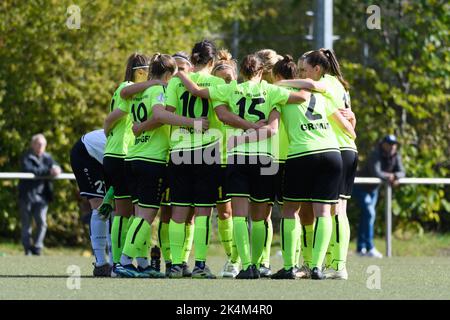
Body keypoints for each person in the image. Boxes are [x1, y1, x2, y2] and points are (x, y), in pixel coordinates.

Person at [177, 54, 309, 279]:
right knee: (259, 218)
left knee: (238, 216)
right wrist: (300, 83)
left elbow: (201, 95)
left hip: (237, 156)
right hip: (264, 159)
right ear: (260, 72)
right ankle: (258, 265)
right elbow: (301, 98)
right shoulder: (271, 91)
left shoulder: (229, 90)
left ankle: (246, 265)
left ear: (243, 72)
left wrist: (181, 73)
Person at [269, 55, 356, 280]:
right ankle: (317, 267)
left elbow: (271, 126)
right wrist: (353, 121)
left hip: (302, 153)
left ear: (279, 77)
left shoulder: (278, 93)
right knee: (325, 212)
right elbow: (349, 128)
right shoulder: (321, 94)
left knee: (290, 210)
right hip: (332, 154)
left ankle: (290, 266)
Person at [103, 53, 150, 273]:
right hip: (121, 154)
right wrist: (107, 128)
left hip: (118, 153)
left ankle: (133, 261)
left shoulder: (129, 87)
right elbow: (115, 115)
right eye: (147, 70)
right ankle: (118, 262)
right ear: (140, 71)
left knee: (130, 210)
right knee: (124, 211)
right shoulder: (129, 86)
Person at [353, 134, 405, 258]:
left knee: (367, 217)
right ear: (383, 144)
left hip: (373, 190)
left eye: (394, 144)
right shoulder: (375, 154)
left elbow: (402, 171)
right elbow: (376, 172)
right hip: (361, 187)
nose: (392, 147)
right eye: (390, 144)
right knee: (370, 214)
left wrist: (396, 176)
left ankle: (361, 248)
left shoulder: (396, 156)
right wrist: (390, 177)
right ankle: (369, 247)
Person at [70, 129, 112, 276]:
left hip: (106, 158)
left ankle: (115, 262)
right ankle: (101, 264)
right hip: (86, 154)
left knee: (119, 207)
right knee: (101, 206)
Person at [18, 134, 61, 256]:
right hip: (26, 195)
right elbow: (30, 170)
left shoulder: (48, 157)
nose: (41, 146)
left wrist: (57, 169)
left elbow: (56, 167)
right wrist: (48, 171)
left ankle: (37, 247)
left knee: (42, 223)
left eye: (43, 144)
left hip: (42, 197)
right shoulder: (26, 157)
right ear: (33, 145)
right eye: (38, 143)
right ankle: (27, 249)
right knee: (26, 225)